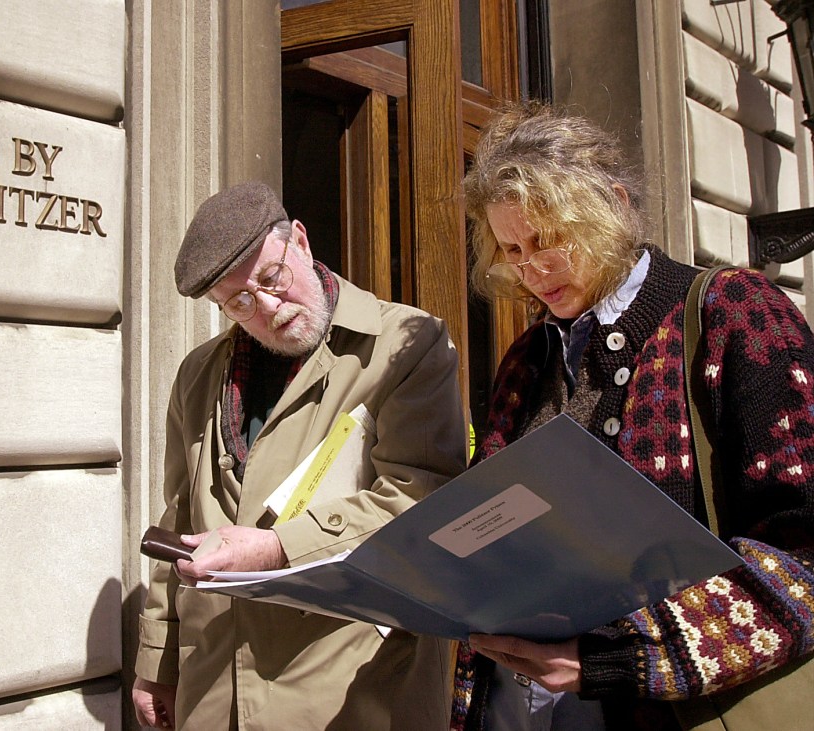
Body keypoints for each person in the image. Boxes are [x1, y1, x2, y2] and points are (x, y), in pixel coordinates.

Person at [452, 102, 814, 730]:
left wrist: (617, 661)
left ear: (614, 207)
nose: (532, 270)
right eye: (512, 250)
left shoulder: (736, 312)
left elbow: (804, 554)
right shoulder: (526, 359)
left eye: (548, 241)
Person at [132, 181, 467, 730]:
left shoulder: (406, 342)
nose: (266, 307)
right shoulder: (198, 375)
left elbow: (422, 501)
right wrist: (157, 662)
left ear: (302, 243)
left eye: (271, 278)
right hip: (215, 692)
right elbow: (181, 520)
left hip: (349, 691)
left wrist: (276, 549)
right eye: (237, 302)